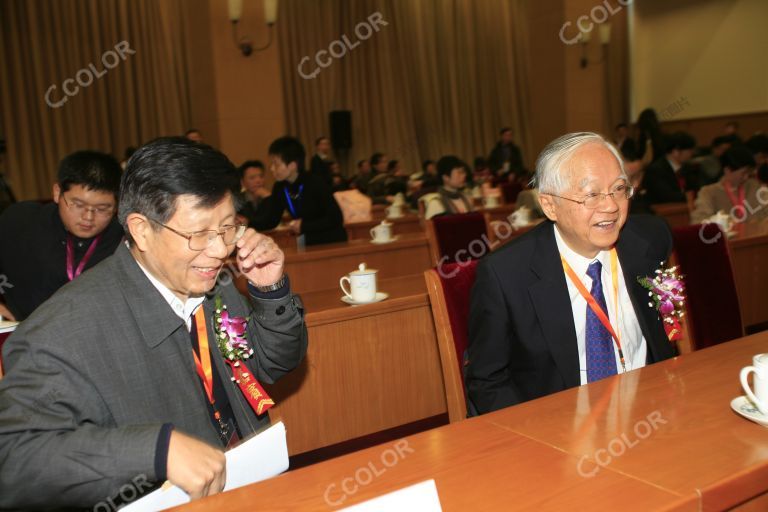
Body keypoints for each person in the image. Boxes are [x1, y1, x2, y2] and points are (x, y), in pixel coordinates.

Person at [0, 137, 308, 509]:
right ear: (141, 229)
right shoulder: (62, 332)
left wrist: (270, 292)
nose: (219, 250)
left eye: (228, 229)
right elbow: (14, 461)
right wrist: (154, 450)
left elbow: (271, 365)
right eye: (199, 234)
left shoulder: (213, 285)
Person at [466, 132, 676, 415]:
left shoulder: (651, 240)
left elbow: (668, 335)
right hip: (555, 428)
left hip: (648, 413)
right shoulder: (506, 275)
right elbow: (487, 381)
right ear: (550, 205)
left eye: (618, 189)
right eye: (591, 195)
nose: (611, 205)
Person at [0, 150, 124, 321]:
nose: (88, 217)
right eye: (77, 205)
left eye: (102, 209)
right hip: (24, 334)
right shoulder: (20, 222)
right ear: (57, 192)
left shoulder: (127, 239)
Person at [250, 136, 347, 245]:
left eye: (276, 164)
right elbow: (271, 220)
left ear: (292, 166)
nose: (272, 169)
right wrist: (247, 223)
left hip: (332, 241)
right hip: (307, 242)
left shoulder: (315, 182)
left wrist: (304, 226)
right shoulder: (280, 187)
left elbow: (336, 218)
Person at [691, 146, 767, 224]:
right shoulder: (708, 192)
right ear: (727, 170)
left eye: (749, 172)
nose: (746, 177)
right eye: (743, 173)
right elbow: (699, 221)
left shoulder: (754, 186)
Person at [640, 131, 697, 206]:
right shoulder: (655, 170)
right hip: (663, 212)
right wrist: (689, 196)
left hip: (685, 208)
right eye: (689, 151)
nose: (692, 153)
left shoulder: (688, 168)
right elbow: (667, 196)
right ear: (676, 152)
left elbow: (696, 189)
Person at [236, 160, 271, 225]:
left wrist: (268, 198)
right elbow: (257, 223)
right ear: (242, 182)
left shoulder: (268, 196)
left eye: (261, 176)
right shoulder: (238, 200)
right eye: (252, 178)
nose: (258, 181)